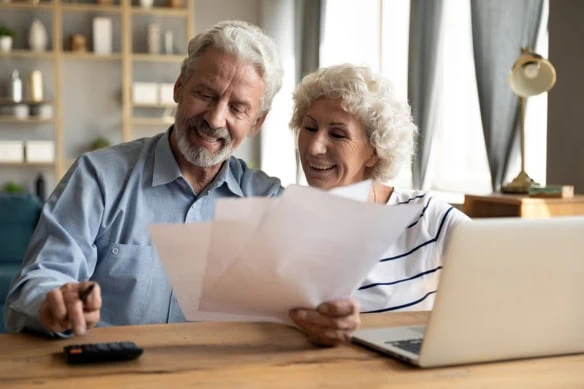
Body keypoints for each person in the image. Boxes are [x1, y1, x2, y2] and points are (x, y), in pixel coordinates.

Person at [4, 20, 289, 337]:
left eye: (237, 108)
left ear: (257, 122)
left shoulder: (269, 201)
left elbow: (298, 298)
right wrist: (53, 303)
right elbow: (40, 279)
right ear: (179, 86)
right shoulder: (98, 177)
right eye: (206, 95)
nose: (215, 118)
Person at [287, 64, 470, 346]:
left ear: (374, 151)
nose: (313, 147)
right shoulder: (284, 219)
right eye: (309, 128)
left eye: (337, 134)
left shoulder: (425, 218)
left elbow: (504, 271)